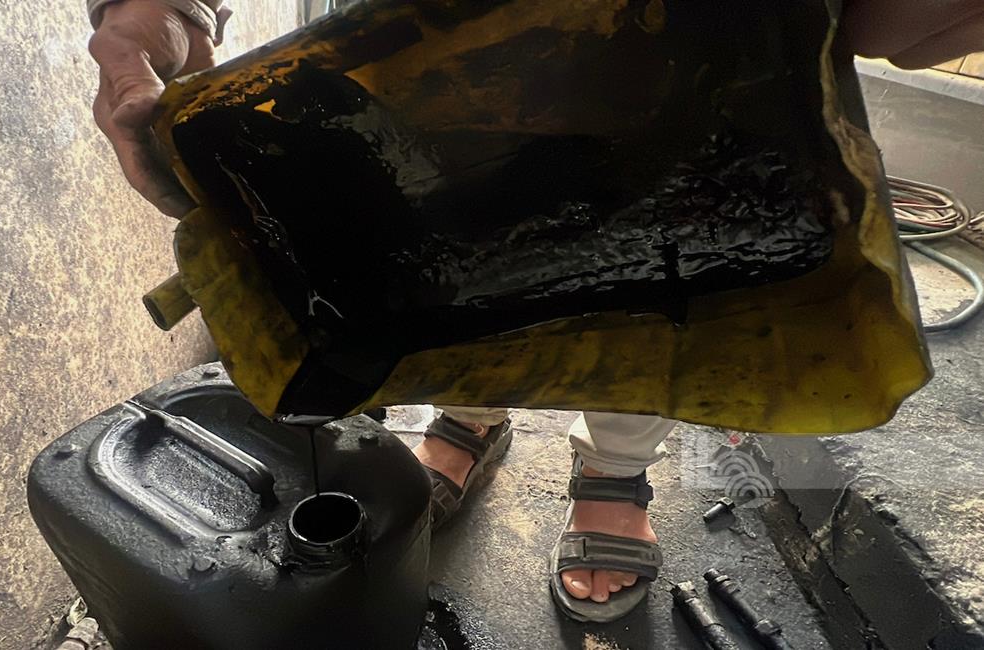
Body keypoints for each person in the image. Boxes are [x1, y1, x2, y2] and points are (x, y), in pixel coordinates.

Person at [85, 0, 984, 623]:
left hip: (673, 38)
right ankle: (471, 415)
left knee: (655, 271)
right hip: (406, 38)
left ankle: (614, 467)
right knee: (417, 244)